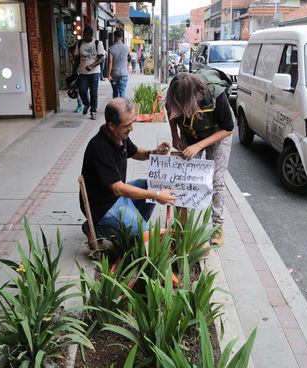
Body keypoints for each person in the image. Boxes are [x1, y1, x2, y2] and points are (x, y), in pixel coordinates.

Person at [80, 98, 178, 241]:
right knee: (146, 236)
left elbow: (135, 152)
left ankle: (134, 225)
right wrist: (156, 195)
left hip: (116, 196)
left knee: (148, 184)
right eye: (128, 125)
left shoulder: (119, 135)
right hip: (103, 205)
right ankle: (95, 228)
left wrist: (153, 152)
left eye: (132, 122)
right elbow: (118, 189)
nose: (132, 128)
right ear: (112, 126)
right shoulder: (99, 148)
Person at [165, 72, 234, 245]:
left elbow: (228, 128)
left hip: (218, 134)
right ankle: (183, 224)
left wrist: (198, 146)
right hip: (190, 134)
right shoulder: (175, 92)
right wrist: (175, 135)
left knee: (216, 181)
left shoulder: (216, 95)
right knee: (185, 177)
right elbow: (170, 110)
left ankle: (217, 224)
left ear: (198, 95)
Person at [74, 27, 106, 120]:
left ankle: (93, 111)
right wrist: (74, 71)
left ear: (91, 35)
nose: (84, 37)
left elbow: (102, 58)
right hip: (83, 73)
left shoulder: (97, 43)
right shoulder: (79, 43)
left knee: (93, 93)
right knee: (82, 91)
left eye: (86, 36)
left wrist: (92, 66)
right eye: (83, 35)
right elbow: (77, 59)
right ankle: (87, 104)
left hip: (94, 73)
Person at [107, 29, 129, 98]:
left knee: (115, 92)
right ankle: (122, 108)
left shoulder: (111, 48)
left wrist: (108, 74)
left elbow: (110, 62)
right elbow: (127, 61)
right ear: (122, 37)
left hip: (114, 74)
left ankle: (115, 107)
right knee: (122, 91)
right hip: (124, 73)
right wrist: (127, 70)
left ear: (114, 37)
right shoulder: (126, 48)